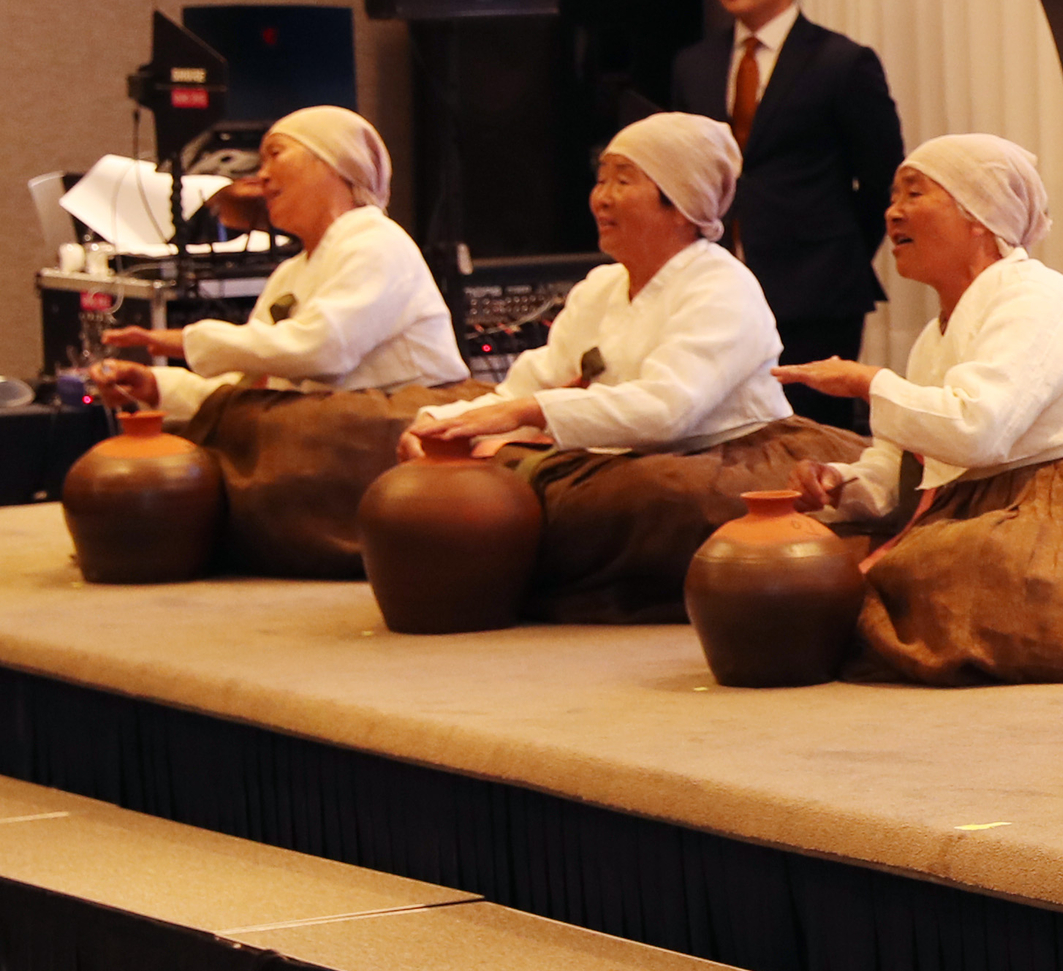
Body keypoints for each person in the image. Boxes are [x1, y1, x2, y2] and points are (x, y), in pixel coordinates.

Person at [780, 136, 1063, 685]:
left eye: (915, 193)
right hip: (989, 500)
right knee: (823, 558)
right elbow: (903, 470)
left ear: (980, 218)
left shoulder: (1035, 298)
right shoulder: (931, 337)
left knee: (940, 571)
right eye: (893, 195)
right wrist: (839, 482)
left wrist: (870, 384)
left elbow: (977, 431)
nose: (893, 211)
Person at [402, 115, 860, 622]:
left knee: (648, 499)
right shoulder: (600, 286)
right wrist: (450, 422)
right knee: (507, 479)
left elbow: (668, 410)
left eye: (624, 180)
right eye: (601, 179)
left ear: (683, 207)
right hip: (626, 459)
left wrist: (526, 413)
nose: (602, 197)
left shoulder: (723, 286)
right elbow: (534, 379)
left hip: (725, 456)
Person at [87, 106, 468, 578]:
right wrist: (155, 386)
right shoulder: (293, 271)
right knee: (244, 421)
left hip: (385, 425)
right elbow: (246, 382)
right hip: (322, 422)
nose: (261, 176)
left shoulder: (377, 242)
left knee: (281, 430)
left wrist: (183, 341)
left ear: (335, 164)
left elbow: (322, 350)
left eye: (275, 155)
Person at [671, 0, 902, 432]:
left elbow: (883, 180)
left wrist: (835, 251)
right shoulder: (695, 65)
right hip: (716, 284)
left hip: (816, 291)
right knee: (725, 432)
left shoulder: (842, 62)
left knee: (811, 435)